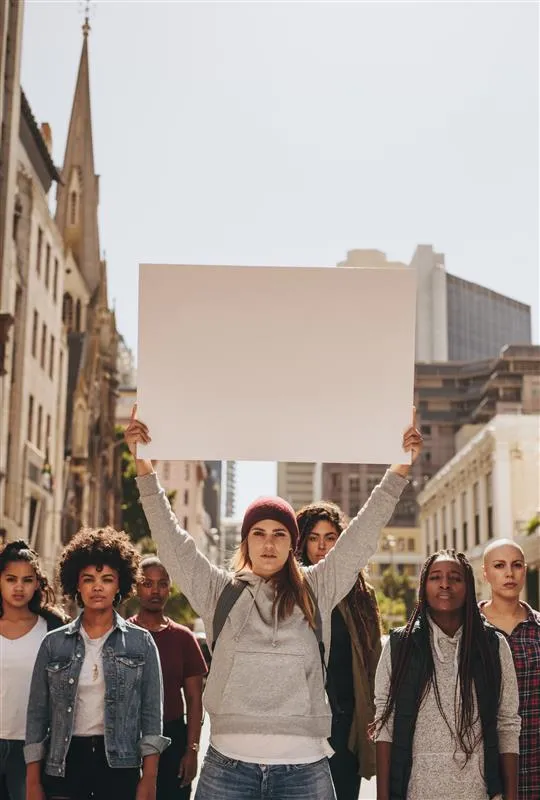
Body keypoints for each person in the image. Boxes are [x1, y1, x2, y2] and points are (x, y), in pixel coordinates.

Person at [124, 405, 422, 800]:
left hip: (304, 769)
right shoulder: (218, 591)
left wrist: (399, 469)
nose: (268, 543)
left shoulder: (318, 587)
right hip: (227, 768)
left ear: (291, 542)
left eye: (280, 533)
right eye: (259, 533)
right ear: (245, 540)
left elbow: (362, 535)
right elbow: (171, 538)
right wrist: (145, 469)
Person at [24, 527, 170, 800]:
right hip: (64, 764)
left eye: (107, 579)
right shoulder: (53, 644)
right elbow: (36, 716)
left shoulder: (142, 643)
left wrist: (149, 779)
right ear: (77, 585)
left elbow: (152, 717)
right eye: (89, 579)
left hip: (119, 765)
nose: (98, 587)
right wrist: (33, 783)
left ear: (119, 585)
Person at [374, 549, 521, 800]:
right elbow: (384, 724)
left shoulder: (492, 645)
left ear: (468, 586)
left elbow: (507, 724)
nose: (445, 583)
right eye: (435, 577)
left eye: (455, 577)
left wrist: (510, 795)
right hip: (416, 792)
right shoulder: (401, 645)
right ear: (423, 585)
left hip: (479, 793)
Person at [296, 501, 382, 800]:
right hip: (299, 722)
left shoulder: (361, 595)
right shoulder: (289, 590)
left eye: (330, 538)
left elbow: (374, 661)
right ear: (301, 541)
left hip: (345, 721)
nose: (321, 546)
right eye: (313, 537)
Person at [129, 556, 207, 799]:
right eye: (147, 583)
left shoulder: (184, 638)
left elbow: (195, 700)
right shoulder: (121, 634)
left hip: (172, 738)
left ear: (170, 588)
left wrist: (192, 751)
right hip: (127, 737)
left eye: (162, 584)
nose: (155, 590)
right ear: (136, 587)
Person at [0, 540, 65, 800]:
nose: (18, 587)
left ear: (37, 583)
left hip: (34, 750)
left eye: (27, 580)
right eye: (10, 578)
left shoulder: (52, 628)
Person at [480, 539, 540, 800]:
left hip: (534, 759)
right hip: (482, 763)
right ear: (485, 573)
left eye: (516, 565)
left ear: (524, 570)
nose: (509, 573)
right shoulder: (467, 631)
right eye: (499, 565)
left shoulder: (537, 628)